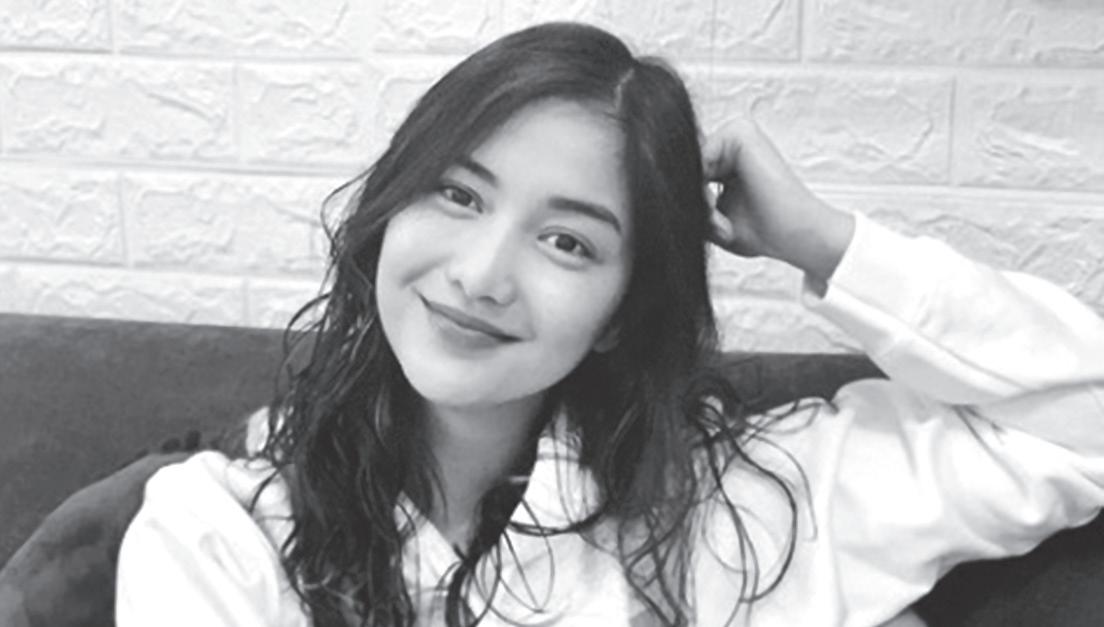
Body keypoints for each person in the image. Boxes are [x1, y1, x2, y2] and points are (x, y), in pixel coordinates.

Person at [114, 22, 1104, 627]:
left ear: (622, 316)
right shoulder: (219, 532)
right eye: (458, 194)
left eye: (568, 242)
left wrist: (821, 241)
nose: (481, 274)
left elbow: (1084, 425)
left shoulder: (750, 507)